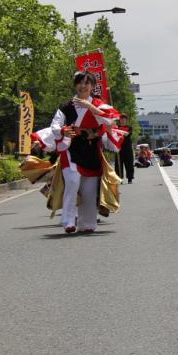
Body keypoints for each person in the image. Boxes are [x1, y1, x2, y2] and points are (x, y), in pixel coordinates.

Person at [49, 71, 124, 234]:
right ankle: (68, 220)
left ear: (92, 86)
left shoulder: (99, 104)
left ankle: (87, 223)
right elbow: (54, 125)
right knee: (73, 181)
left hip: (91, 151)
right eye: (80, 83)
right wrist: (63, 131)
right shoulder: (66, 106)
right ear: (75, 85)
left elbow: (110, 121)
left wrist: (90, 107)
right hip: (71, 150)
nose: (83, 86)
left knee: (89, 190)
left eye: (86, 83)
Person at [114, 113, 134, 184]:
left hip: (127, 148)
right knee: (118, 164)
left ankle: (130, 178)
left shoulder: (129, 127)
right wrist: (115, 129)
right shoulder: (116, 127)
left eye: (123, 119)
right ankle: (119, 178)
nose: (122, 120)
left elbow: (126, 134)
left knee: (129, 163)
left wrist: (117, 131)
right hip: (118, 148)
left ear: (126, 120)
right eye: (121, 119)